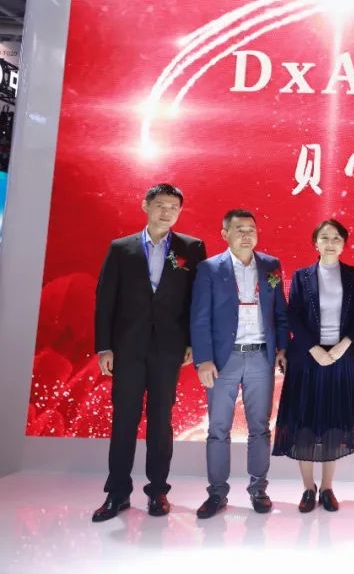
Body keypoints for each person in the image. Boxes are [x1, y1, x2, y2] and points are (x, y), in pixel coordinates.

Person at [91, 183, 207, 522]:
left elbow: (196, 301)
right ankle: (117, 492)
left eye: (173, 206)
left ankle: (157, 491)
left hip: (169, 348)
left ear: (179, 211)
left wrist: (192, 342)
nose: (166, 211)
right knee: (124, 419)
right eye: (160, 204)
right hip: (127, 347)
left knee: (161, 420)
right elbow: (105, 299)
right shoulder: (121, 248)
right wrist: (104, 346)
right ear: (146, 205)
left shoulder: (191, 248)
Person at [190, 209, 288, 519]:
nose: (247, 234)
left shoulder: (270, 265)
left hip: (260, 356)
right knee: (218, 429)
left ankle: (258, 490)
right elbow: (200, 317)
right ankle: (217, 493)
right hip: (224, 359)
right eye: (239, 229)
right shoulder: (210, 268)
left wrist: (282, 348)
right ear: (225, 234)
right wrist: (203, 359)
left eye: (251, 229)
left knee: (260, 427)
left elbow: (280, 312)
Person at [272, 219, 354, 513]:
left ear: (344, 243)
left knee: (333, 423)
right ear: (315, 243)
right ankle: (308, 488)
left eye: (336, 238)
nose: (330, 243)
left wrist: (341, 346)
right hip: (307, 359)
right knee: (305, 423)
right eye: (324, 237)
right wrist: (314, 349)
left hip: (341, 358)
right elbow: (293, 316)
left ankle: (327, 487)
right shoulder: (302, 276)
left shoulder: (353, 275)